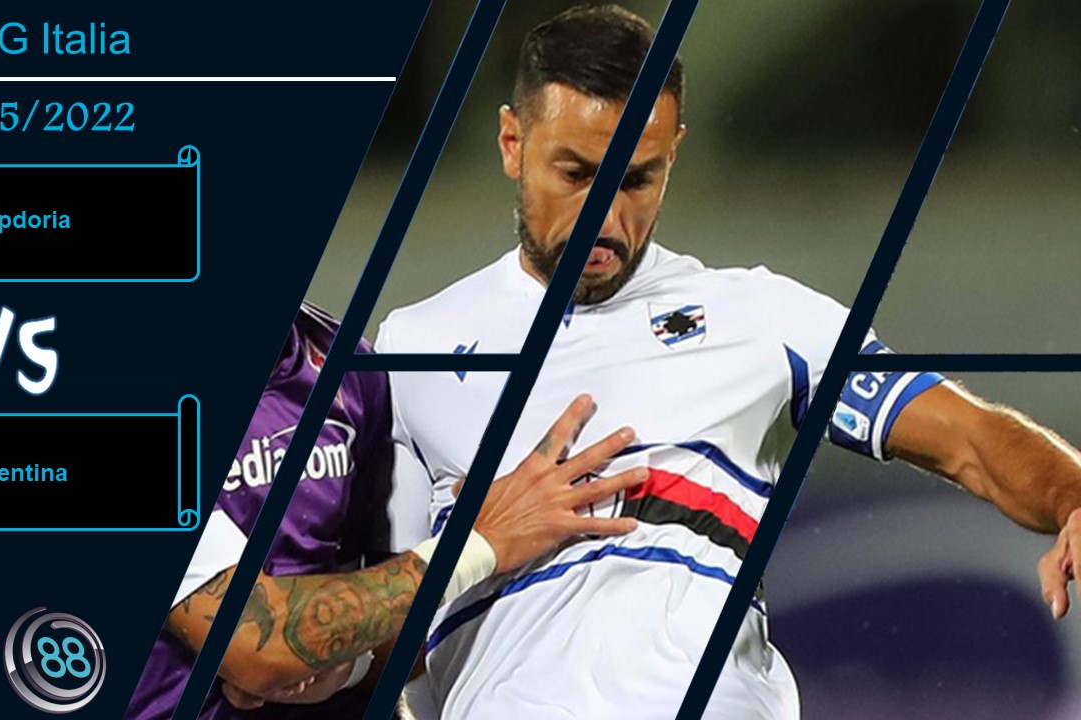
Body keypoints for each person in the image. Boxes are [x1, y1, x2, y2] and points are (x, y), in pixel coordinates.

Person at [375, 5, 1081, 719]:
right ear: (512, 143)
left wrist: (1072, 497)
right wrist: (484, 540)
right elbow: (372, 642)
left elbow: (971, 439)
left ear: (673, 153)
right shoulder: (412, 349)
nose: (606, 219)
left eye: (638, 180)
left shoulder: (763, 318)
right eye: (576, 173)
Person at [125, 302, 646, 719]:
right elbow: (260, 644)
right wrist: (479, 543)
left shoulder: (346, 363)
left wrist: (344, 666)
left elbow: (390, 629)